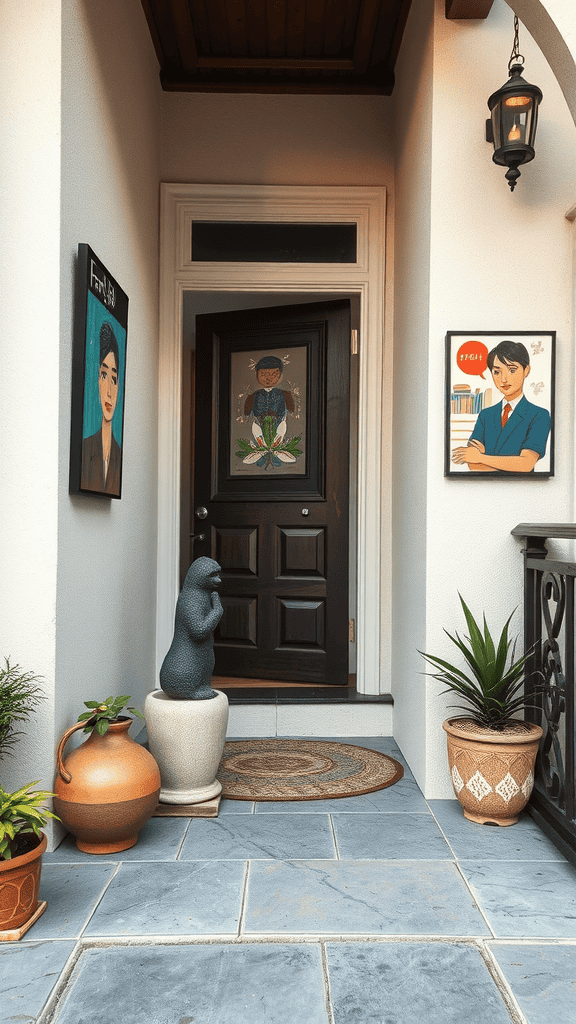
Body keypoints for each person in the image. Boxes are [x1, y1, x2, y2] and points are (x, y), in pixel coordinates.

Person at [451, 340, 550, 473]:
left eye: (512, 370)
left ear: (526, 370)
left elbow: (525, 465)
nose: (504, 379)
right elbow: (473, 465)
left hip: (523, 489)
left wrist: (480, 457)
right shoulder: (486, 415)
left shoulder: (539, 415)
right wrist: (509, 464)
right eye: (497, 372)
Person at [81, 322, 122, 494]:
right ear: (97, 380)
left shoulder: (119, 456)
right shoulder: (85, 448)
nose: (109, 392)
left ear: (119, 386)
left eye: (113, 379)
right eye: (104, 375)